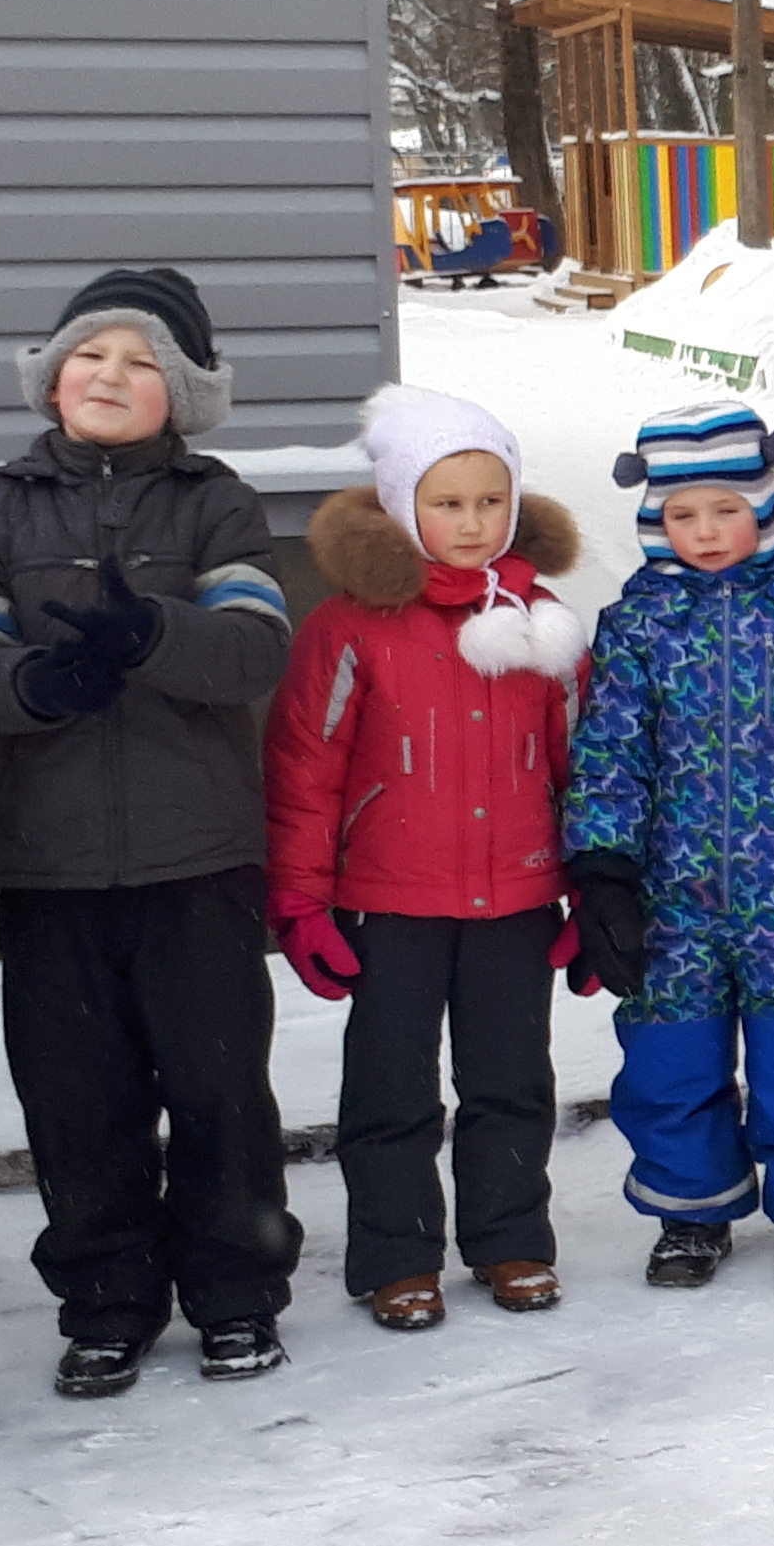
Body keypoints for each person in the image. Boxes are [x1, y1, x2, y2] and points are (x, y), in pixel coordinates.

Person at [0, 264, 301, 1394]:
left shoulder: (215, 500)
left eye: (144, 364)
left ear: (181, 398)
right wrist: (37, 682)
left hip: (200, 862)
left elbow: (254, 649)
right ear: (51, 378)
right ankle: (106, 1299)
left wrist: (150, 636)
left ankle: (237, 1293)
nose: (112, 375)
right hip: (55, 869)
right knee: (78, 1101)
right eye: (92, 354)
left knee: (220, 1089)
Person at [562, 397, 774, 1292]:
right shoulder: (639, 626)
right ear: (655, 519)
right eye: (684, 515)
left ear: (764, 504)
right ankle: (692, 1208)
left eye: (726, 509)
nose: (707, 532)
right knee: (670, 1060)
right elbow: (609, 754)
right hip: (672, 895)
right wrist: (603, 871)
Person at [264, 386, 586, 1331]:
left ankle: (510, 1236)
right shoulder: (352, 627)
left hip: (519, 896)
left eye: (492, 501)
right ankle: (398, 1254)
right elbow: (305, 769)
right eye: (449, 503)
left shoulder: (545, 623)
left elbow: (582, 763)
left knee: (511, 1080)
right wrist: (301, 900)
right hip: (390, 899)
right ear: (404, 506)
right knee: (391, 1086)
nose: (473, 523)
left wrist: (593, 893)